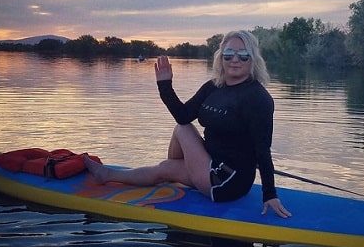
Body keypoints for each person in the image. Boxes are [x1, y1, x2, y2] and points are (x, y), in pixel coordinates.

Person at [84, 30, 291, 218]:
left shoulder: (258, 98)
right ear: (221, 57)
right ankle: (109, 175)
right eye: (229, 54)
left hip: (228, 181)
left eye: (242, 54)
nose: (235, 60)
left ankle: (175, 172)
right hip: (208, 163)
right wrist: (165, 86)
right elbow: (184, 115)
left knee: (182, 131)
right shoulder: (213, 87)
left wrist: (269, 195)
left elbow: (263, 151)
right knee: (166, 163)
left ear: (252, 59)